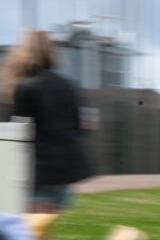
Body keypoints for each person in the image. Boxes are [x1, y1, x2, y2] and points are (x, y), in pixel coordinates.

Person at [1, 29, 92, 214]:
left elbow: (15, 135)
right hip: (64, 172)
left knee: (31, 232)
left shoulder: (25, 88)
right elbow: (80, 128)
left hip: (38, 174)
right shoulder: (68, 86)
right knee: (43, 231)